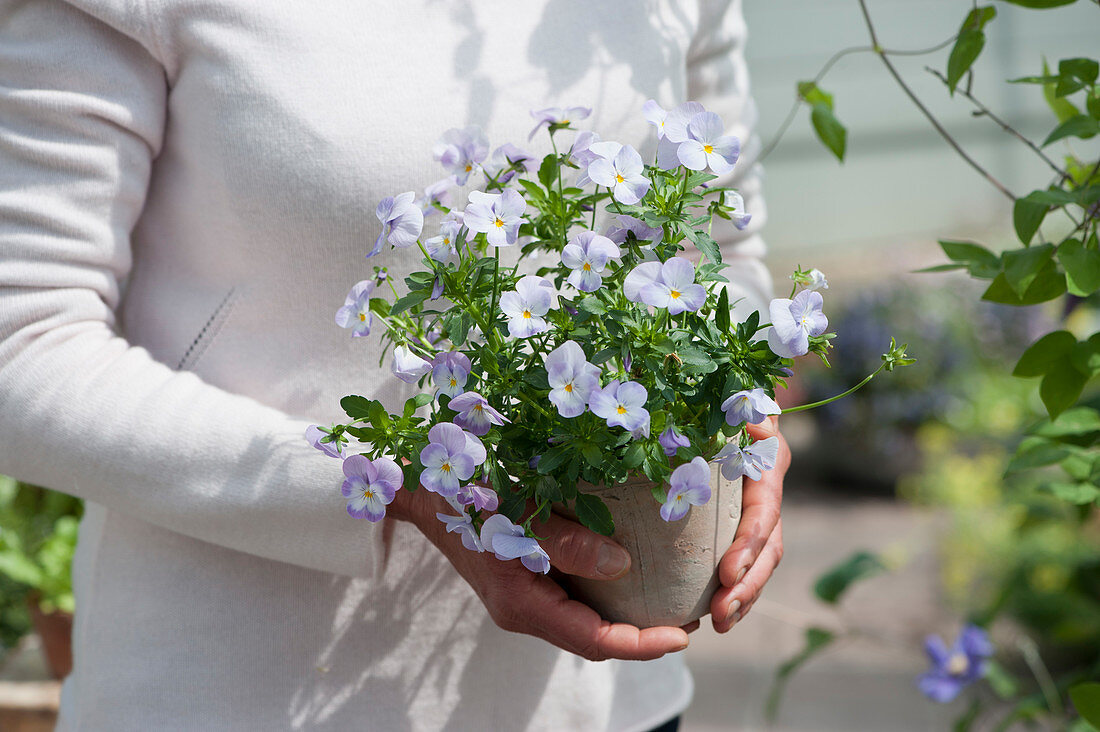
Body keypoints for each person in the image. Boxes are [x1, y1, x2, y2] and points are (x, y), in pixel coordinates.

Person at [0, 0, 789, 729]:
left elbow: (721, 248)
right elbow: (22, 349)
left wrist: (739, 415)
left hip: (604, 700)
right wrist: (392, 481)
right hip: (244, 693)